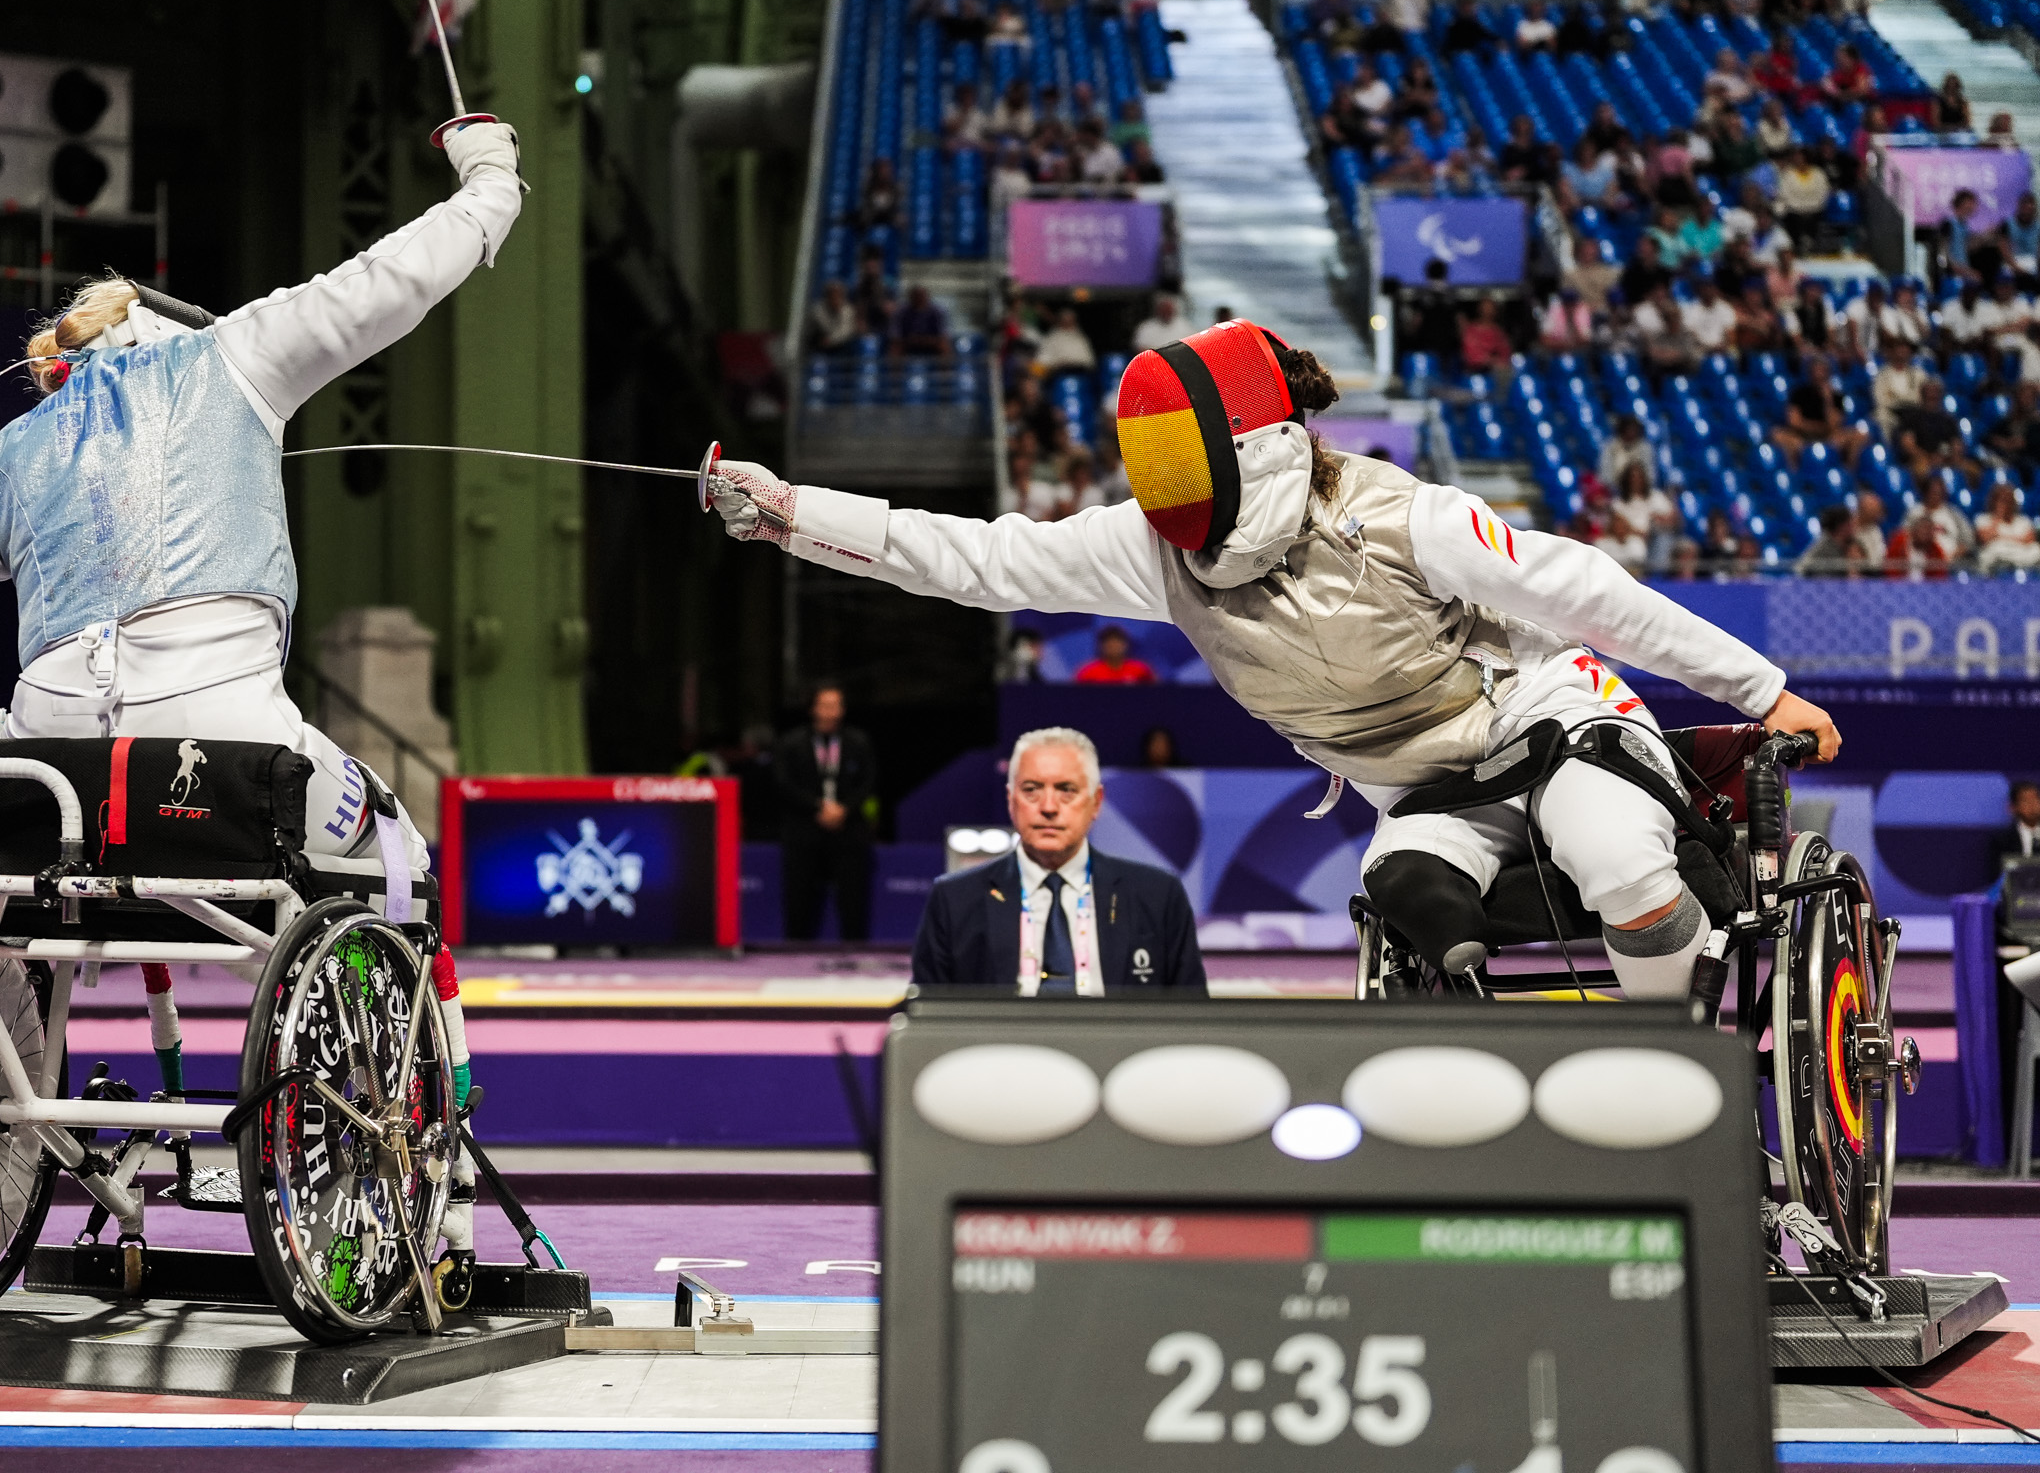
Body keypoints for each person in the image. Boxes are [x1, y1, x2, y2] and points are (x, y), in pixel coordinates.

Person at [705, 320, 1840, 1000]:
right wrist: (792, 514)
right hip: (1423, 786)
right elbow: (976, 559)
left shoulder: (1404, 518)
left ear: (1257, 445)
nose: (1160, 486)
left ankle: (1673, 1074)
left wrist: (1762, 690)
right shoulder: (1154, 550)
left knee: (1626, 874)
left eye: (1178, 457)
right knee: (1404, 895)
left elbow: (1589, 592)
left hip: (1550, 727)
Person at [0, 115, 522, 1263]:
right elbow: (394, 279)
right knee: (404, 849)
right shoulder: (232, 353)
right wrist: (491, 181)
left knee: (54, 901)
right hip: (224, 757)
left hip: (53, 770)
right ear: (160, 324)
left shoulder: (8, 453)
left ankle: (50, 1138)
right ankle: (438, 1169)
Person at [909, 726, 1205, 992]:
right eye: (1032, 790)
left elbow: (1192, 1022)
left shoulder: (1157, 895)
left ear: (1096, 803)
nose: (1049, 807)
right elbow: (927, 1021)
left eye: (1066, 790)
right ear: (1011, 802)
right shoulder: (955, 899)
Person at [772, 682, 877, 940]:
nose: (831, 712)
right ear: (813, 709)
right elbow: (783, 783)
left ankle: (855, 954)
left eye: (836, 706)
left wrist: (844, 809)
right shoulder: (791, 743)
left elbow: (869, 781)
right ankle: (794, 957)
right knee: (799, 898)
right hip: (804, 828)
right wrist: (818, 806)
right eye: (825, 705)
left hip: (847, 829)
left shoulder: (858, 742)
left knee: (853, 899)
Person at [1775, 354, 1867, 469]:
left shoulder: (1837, 397)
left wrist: (1827, 400)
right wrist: (1819, 428)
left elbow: (1834, 425)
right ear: (1809, 373)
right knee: (1777, 434)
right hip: (1803, 438)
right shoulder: (1798, 393)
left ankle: (1848, 473)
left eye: (1821, 371)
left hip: (1830, 439)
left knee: (1860, 435)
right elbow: (1794, 422)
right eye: (1815, 371)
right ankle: (1793, 474)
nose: (1818, 375)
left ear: (1828, 374)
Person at [1976, 482, 2040, 572]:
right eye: (2002, 500)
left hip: (2020, 552)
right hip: (1999, 552)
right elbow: (1985, 539)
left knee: (2036, 549)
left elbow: (2030, 539)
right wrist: (1998, 517)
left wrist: (2003, 537)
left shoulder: (2023, 520)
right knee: (1995, 549)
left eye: (2009, 501)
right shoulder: (1983, 519)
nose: (2006, 504)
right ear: (1994, 501)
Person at [1073, 623, 1156, 683]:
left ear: (1125, 645)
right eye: (1110, 644)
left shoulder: (1140, 669)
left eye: (1117, 643)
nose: (1114, 647)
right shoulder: (1088, 672)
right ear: (1101, 646)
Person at [1797, 504, 1866, 577]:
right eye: (1851, 523)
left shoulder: (1854, 545)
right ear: (1842, 526)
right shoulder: (1822, 547)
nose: (1855, 527)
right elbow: (1800, 569)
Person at [1991, 780, 2040, 877]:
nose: (2032, 805)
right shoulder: (2002, 841)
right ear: (2013, 807)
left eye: (2036, 799)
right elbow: (1998, 877)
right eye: (2025, 801)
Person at [1034, 307, 1097, 374]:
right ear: (1060, 320)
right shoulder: (1051, 337)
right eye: (1065, 319)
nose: (1068, 322)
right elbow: (1042, 360)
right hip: (1058, 373)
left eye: (1070, 320)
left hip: (1079, 372)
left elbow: (1089, 361)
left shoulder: (1082, 338)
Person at [807, 278, 863, 353]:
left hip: (840, 347)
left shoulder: (848, 310)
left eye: (838, 295)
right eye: (832, 295)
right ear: (827, 297)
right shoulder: (817, 310)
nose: (835, 299)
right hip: (819, 346)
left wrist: (831, 340)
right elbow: (826, 328)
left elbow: (846, 331)